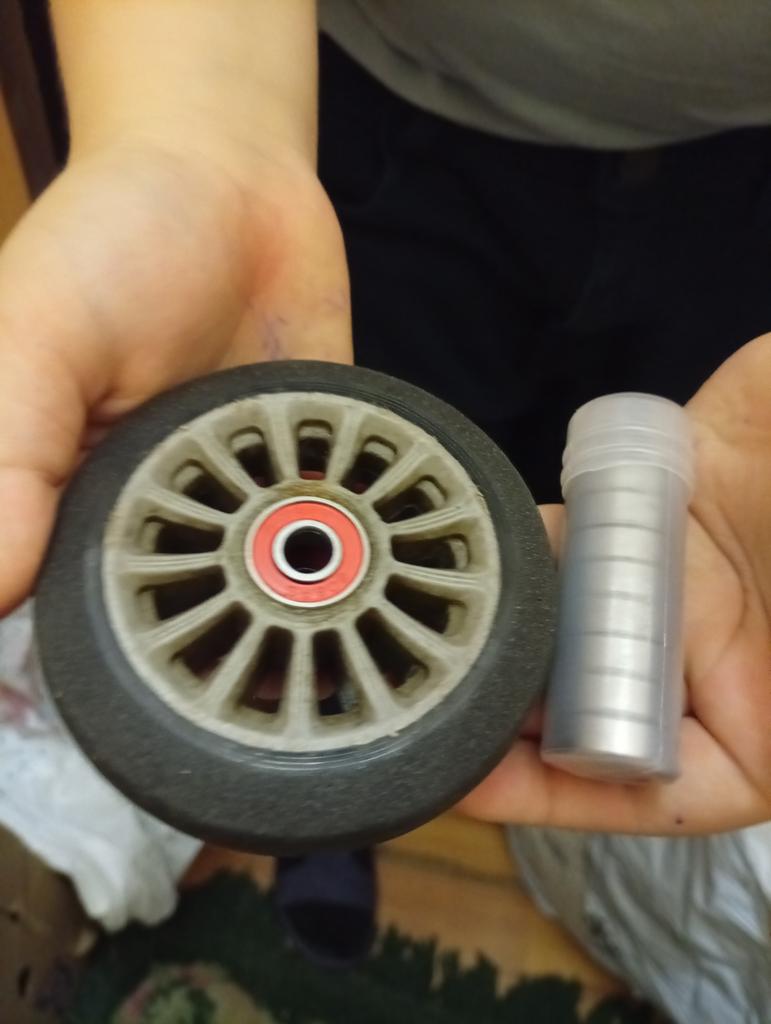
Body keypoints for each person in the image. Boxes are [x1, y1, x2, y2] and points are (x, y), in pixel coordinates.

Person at [0, 0, 769, 1008]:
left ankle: (390, 762)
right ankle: (326, 815)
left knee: (576, 520)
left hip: (741, 180)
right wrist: (192, 132)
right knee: (385, 413)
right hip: (387, 116)